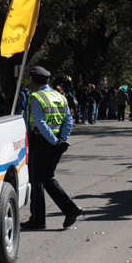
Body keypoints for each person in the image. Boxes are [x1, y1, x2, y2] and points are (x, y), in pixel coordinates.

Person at [21, 66, 83, 230]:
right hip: (56, 144)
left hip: (42, 143)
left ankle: (38, 220)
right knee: (48, 179)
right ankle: (70, 209)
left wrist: (54, 141)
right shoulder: (59, 96)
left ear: (34, 82)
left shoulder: (35, 97)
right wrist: (62, 139)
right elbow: (68, 120)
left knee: (37, 181)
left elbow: (40, 123)